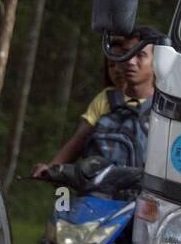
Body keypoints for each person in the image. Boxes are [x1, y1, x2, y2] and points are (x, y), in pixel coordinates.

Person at [31, 25, 162, 179]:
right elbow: (80, 139)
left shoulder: (165, 107)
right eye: (127, 53)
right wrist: (51, 168)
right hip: (95, 190)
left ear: (158, 61)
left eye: (140, 55)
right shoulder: (106, 98)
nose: (130, 61)